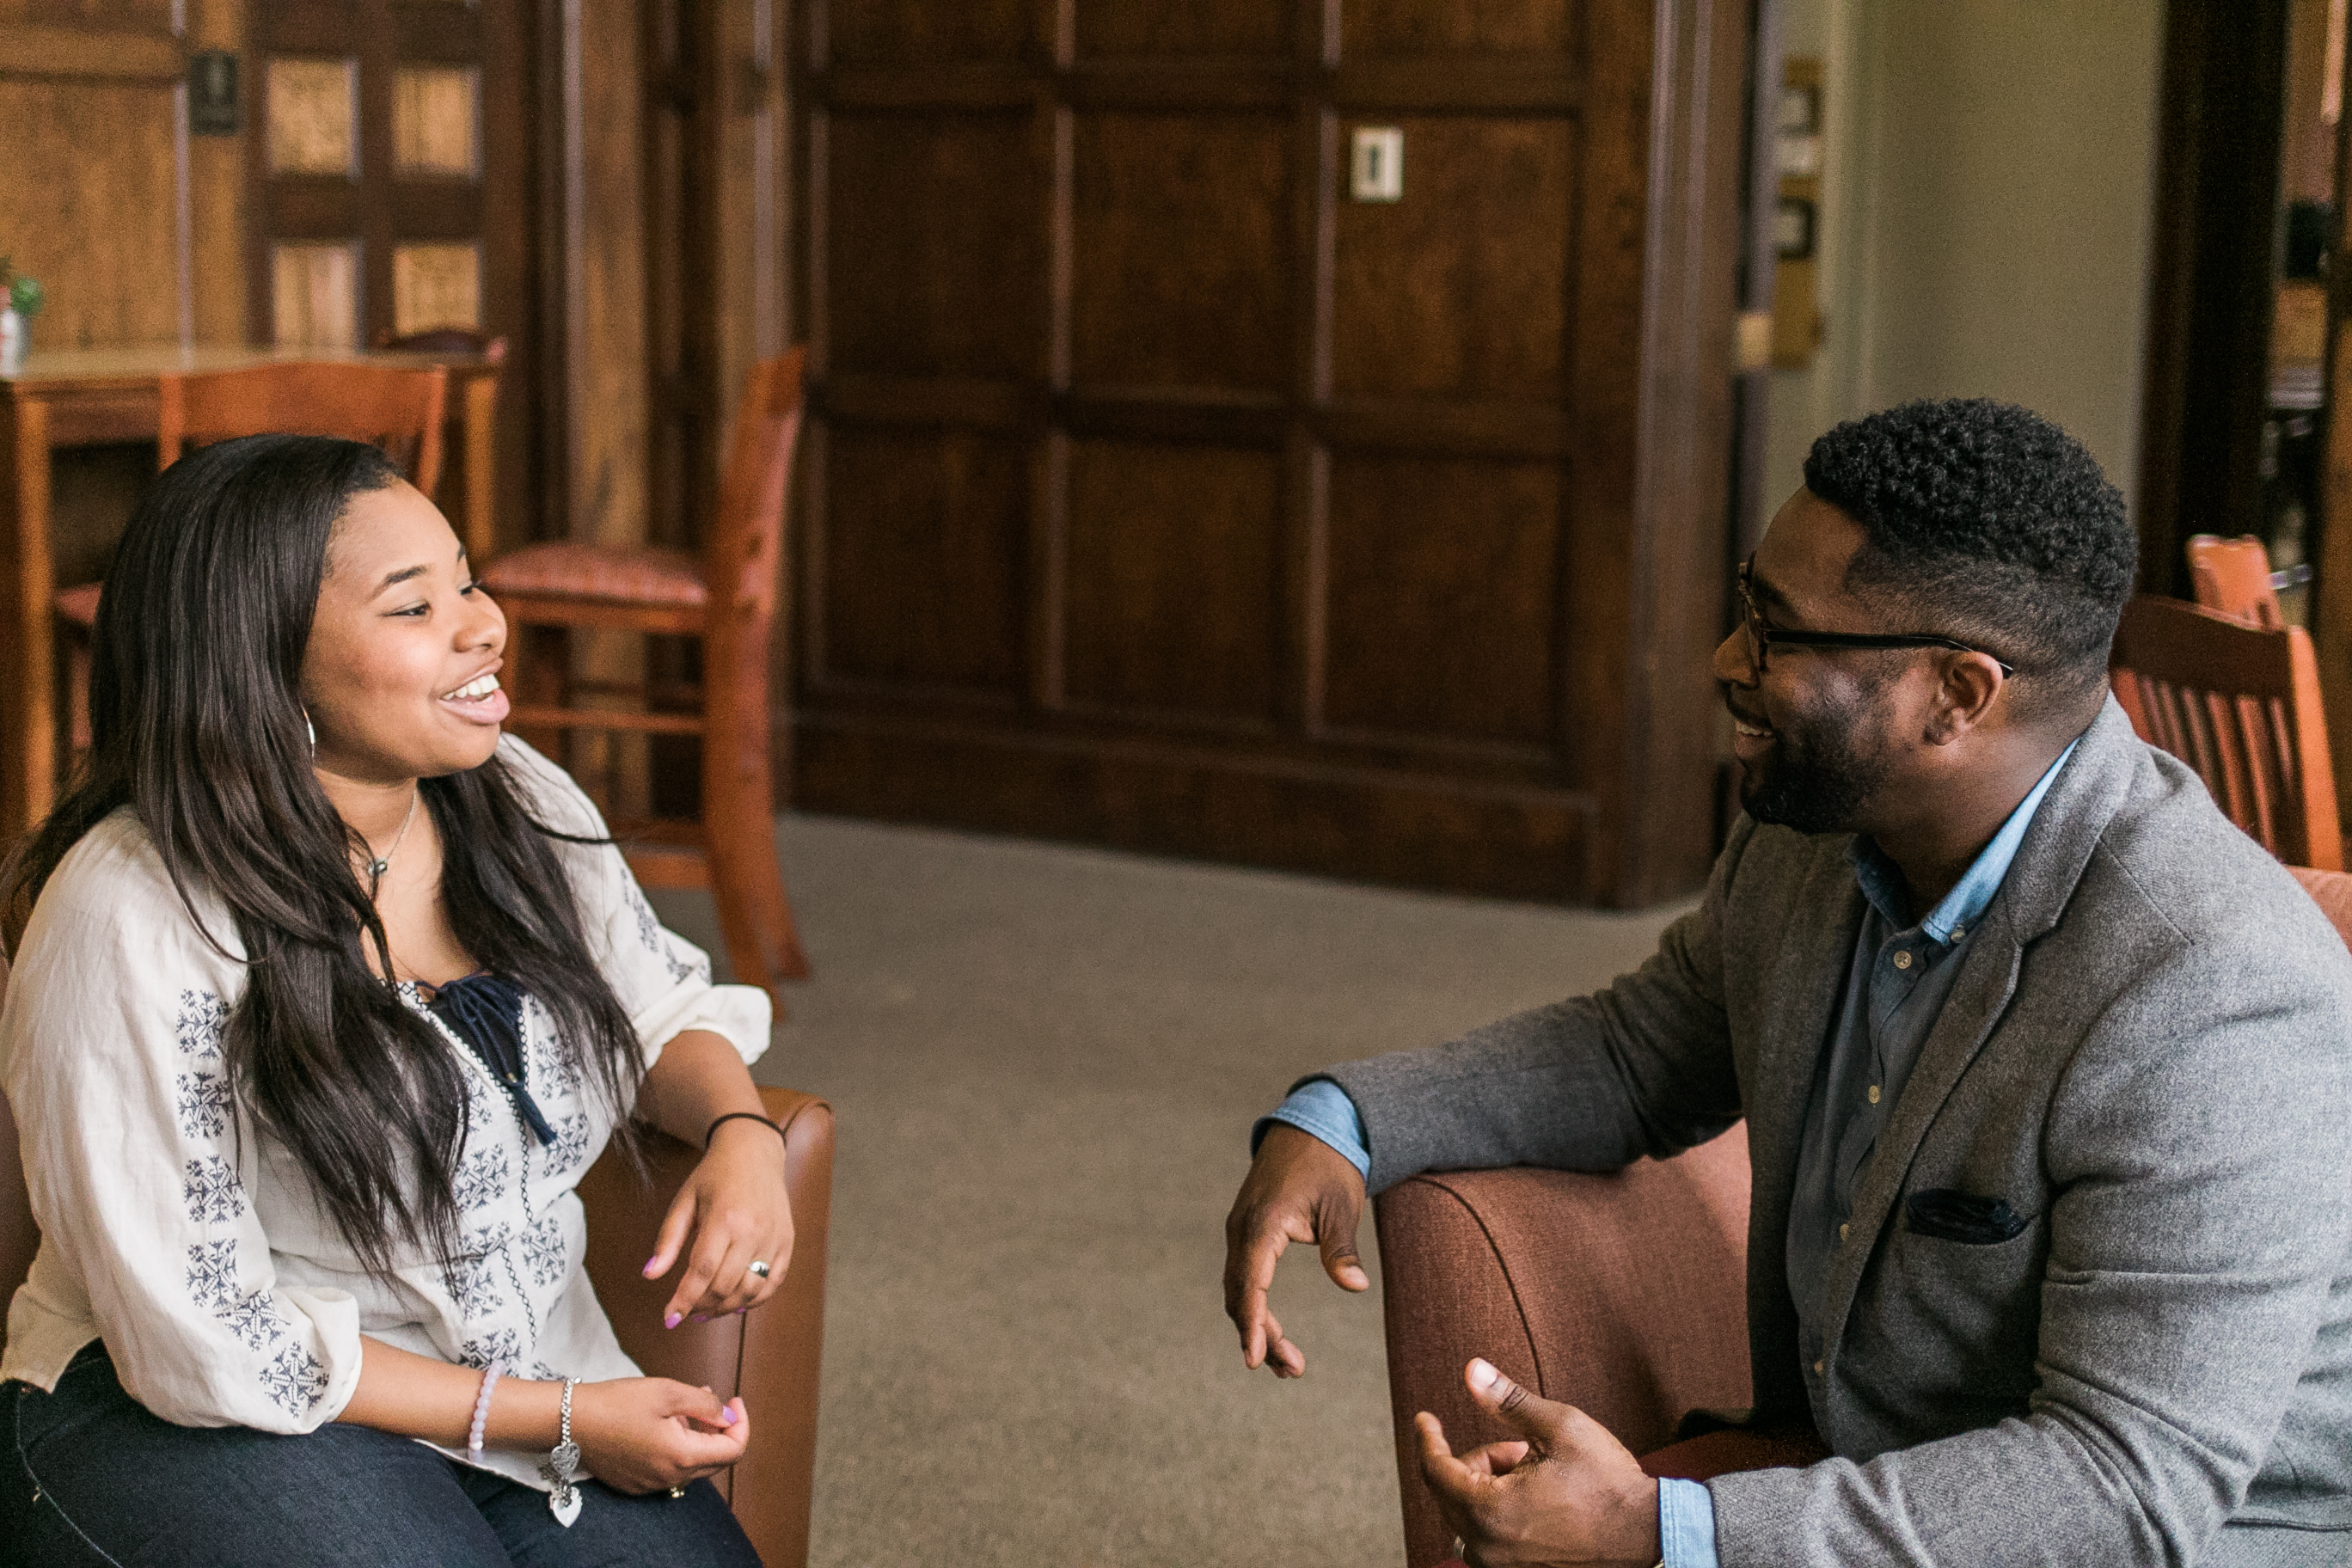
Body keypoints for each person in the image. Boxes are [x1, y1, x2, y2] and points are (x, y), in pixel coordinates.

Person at [1222, 399, 2352, 1566]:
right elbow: (1640, 1052)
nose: (1726, 661)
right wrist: (1344, 1120)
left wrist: (1664, 1530)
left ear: (1957, 695)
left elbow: (2124, 1485)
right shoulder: (1816, 834)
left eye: (1777, 633)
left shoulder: (2214, 993)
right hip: (1872, 1471)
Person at [0, 434, 792, 1566]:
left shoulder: (509, 793)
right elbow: (204, 1336)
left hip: (519, 1382)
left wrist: (740, 1133)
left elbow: (655, 1008)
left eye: (467, 580)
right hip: (179, 1409)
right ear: (263, 666)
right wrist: (560, 1419)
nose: (486, 626)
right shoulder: (133, 910)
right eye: (415, 607)